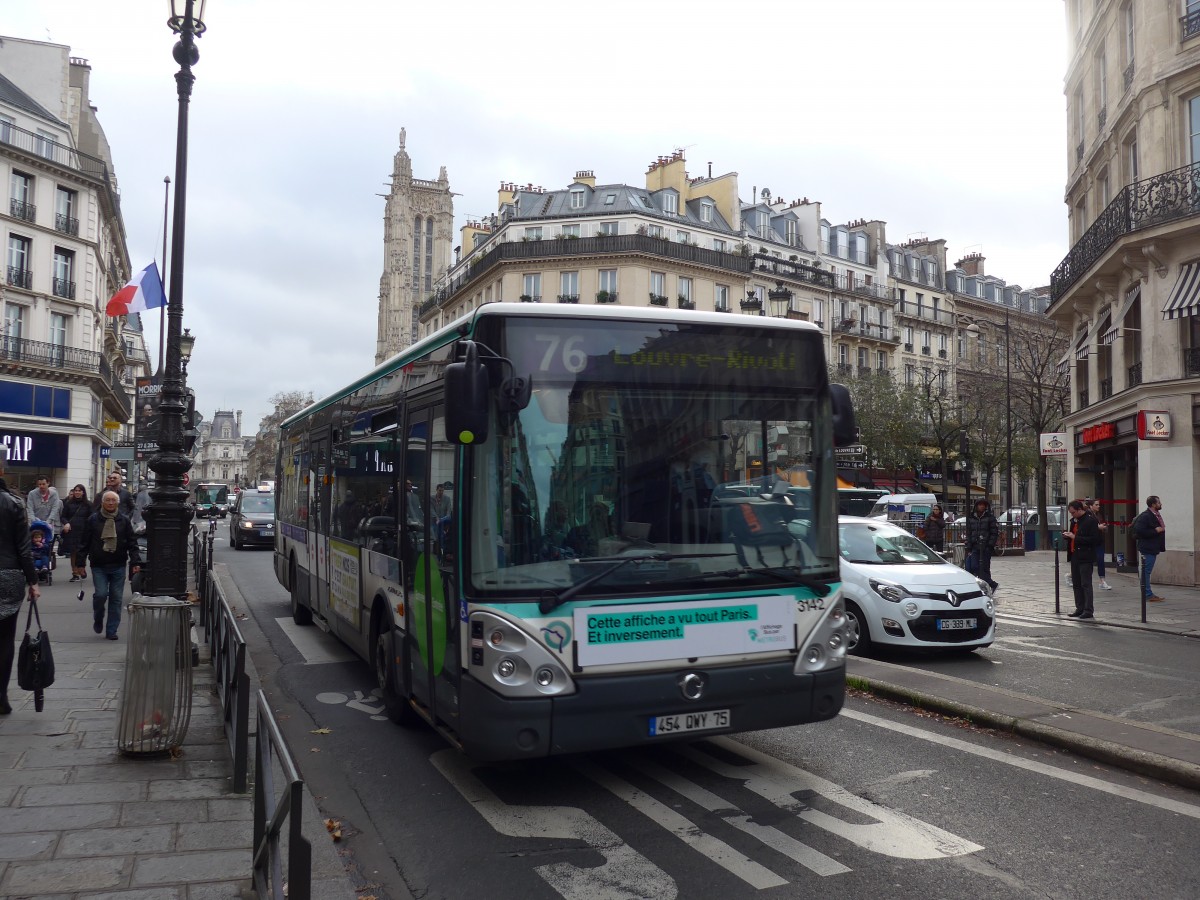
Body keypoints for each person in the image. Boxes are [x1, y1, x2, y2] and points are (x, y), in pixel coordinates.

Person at [0, 446, 40, 715]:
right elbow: (24, 548)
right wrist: (33, 581)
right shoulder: (14, 503)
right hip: (9, 574)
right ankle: (1, 697)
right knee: (4, 640)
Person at [78, 490, 142, 640]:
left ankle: (112, 630)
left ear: (118, 503)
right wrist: (80, 564)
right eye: (108, 500)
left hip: (118, 564)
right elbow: (84, 542)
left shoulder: (124, 521)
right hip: (98, 564)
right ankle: (98, 617)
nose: (111, 503)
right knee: (100, 595)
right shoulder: (93, 520)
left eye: (114, 500)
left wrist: (135, 561)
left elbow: (132, 543)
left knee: (116, 598)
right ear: (103, 503)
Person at [1064, 498, 1100, 619]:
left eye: (1073, 512)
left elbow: (1095, 540)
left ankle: (1088, 610)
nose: (1072, 515)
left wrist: (1075, 537)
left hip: (1086, 556)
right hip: (1075, 555)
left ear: (1080, 510)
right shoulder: (1074, 521)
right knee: (1076, 584)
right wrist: (1068, 536)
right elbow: (1074, 535)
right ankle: (1079, 608)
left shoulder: (1090, 521)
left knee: (1086, 584)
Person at [1131, 495, 1166, 603]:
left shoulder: (1155, 515)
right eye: (1158, 502)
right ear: (1153, 504)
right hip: (1148, 547)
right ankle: (1147, 594)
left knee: (1146, 571)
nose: (1160, 504)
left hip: (1152, 547)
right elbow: (1139, 531)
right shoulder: (1146, 516)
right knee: (1146, 571)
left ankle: (1148, 593)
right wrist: (1155, 531)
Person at [59, 484, 93, 582]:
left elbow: (92, 517)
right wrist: (66, 523)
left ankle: (81, 569)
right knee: (73, 552)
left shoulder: (88, 504)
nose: (77, 492)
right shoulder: (68, 504)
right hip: (72, 531)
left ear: (83, 492)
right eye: (76, 490)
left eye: (79, 490)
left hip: (84, 531)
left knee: (82, 552)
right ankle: (75, 572)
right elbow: (63, 516)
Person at [965, 498, 999, 592]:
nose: (982, 506)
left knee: (985, 567)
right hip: (975, 546)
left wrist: (990, 545)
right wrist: (969, 546)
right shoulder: (971, 518)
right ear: (976, 506)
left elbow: (994, 533)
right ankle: (991, 584)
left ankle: (986, 586)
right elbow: (969, 533)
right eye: (980, 505)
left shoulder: (990, 518)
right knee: (974, 566)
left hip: (986, 547)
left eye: (983, 505)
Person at [1089, 498, 1112, 590]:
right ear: (1091, 506)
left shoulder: (1098, 515)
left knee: (1100, 560)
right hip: (1091, 542)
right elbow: (1088, 527)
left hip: (1099, 541)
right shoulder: (1088, 515)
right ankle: (1072, 576)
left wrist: (1103, 527)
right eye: (1096, 504)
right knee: (1089, 561)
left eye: (1099, 504)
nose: (1099, 506)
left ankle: (1102, 581)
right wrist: (1098, 527)